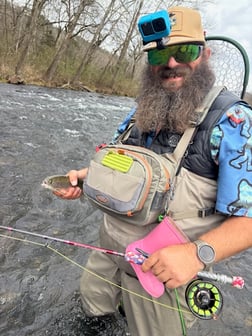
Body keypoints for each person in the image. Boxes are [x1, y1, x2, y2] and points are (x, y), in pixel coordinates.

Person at [54, 6, 252, 336]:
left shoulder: (233, 122)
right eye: (159, 56)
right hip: (109, 254)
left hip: (162, 277)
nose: (170, 64)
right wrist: (88, 177)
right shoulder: (142, 108)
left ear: (204, 52)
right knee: (91, 318)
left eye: (183, 51)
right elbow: (124, 164)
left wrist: (195, 254)